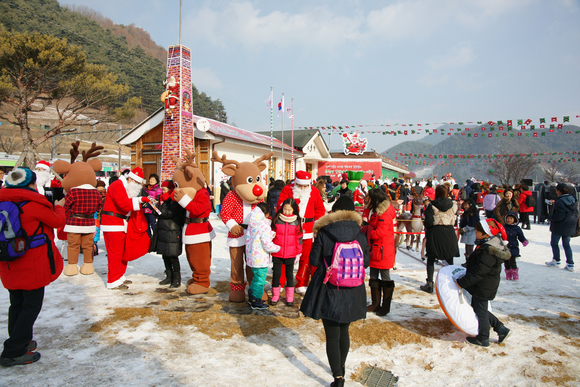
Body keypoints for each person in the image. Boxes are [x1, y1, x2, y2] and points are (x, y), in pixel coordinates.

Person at [300, 196, 370, 387]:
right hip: (353, 289)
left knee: (332, 334)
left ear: (334, 212)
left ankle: (338, 377)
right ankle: (342, 367)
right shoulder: (360, 233)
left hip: (329, 287)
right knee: (344, 331)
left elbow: (313, 261)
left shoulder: (324, 232)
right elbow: (367, 262)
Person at [0, 168, 66, 366]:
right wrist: (59, 206)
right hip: (32, 263)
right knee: (31, 306)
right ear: (30, 184)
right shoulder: (33, 205)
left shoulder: (3, 202)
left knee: (17, 304)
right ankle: (13, 351)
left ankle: (22, 342)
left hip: (9, 262)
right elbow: (57, 221)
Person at [456, 219, 512, 347]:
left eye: (478, 231)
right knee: (480, 308)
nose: (475, 232)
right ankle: (500, 328)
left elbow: (479, 272)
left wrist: (462, 282)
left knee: (480, 311)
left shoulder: (488, 251)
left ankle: (483, 337)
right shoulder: (488, 245)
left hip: (483, 286)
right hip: (484, 284)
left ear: (487, 234)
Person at [277, 170, 325, 294]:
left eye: (305, 186)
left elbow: (320, 209)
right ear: (296, 183)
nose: (303, 188)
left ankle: (301, 283)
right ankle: (280, 282)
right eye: (301, 185)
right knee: (284, 256)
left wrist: (317, 225)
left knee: (306, 258)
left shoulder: (314, 191)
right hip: (290, 228)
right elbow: (279, 206)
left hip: (308, 228)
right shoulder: (288, 189)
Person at [101, 167, 150, 289]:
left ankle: (119, 276)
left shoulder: (123, 186)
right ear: (130, 179)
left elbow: (126, 201)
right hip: (113, 223)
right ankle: (113, 280)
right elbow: (124, 204)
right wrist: (140, 201)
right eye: (137, 183)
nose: (138, 186)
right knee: (115, 253)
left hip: (119, 223)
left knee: (121, 252)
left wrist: (140, 200)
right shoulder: (117, 186)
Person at [420, 185, 459, 293]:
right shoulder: (453, 205)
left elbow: (428, 221)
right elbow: (455, 221)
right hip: (449, 232)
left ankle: (430, 284)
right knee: (449, 258)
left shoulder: (432, 205)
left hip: (435, 232)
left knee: (431, 259)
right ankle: (450, 281)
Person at [365, 188, 397, 316]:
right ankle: (375, 303)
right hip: (376, 250)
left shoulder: (384, 214)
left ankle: (385, 306)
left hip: (383, 251)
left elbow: (379, 233)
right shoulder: (376, 212)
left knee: (385, 278)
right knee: (373, 276)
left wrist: (366, 232)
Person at [150, 180, 185, 288]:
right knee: (165, 255)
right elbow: (162, 212)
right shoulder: (164, 200)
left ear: (170, 190)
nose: (162, 191)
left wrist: (158, 211)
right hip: (164, 231)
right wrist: (154, 209)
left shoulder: (174, 200)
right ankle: (169, 276)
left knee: (172, 256)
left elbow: (169, 213)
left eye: (164, 189)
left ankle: (177, 279)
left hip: (172, 231)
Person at [245, 202, 280, 309]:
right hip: (260, 258)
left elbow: (256, 237)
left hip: (252, 258)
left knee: (255, 279)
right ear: (266, 213)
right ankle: (256, 301)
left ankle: (252, 298)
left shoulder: (252, 222)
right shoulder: (263, 225)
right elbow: (266, 244)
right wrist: (277, 248)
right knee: (259, 281)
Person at [270, 198, 303, 306]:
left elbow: (299, 238)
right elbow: (271, 235)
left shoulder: (296, 221)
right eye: (285, 209)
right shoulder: (276, 220)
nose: (287, 212)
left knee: (289, 275)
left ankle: (289, 297)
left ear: (294, 210)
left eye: (289, 210)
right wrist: (270, 247)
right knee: (276, 274)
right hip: (277, 252)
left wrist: (298, 252)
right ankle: (275, 296)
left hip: (290, 253)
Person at [545, 183, 578, 271]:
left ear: (558, 191)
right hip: (570, 225)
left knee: (554, 243)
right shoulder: (573, 199)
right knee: (567, 244)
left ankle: (556, 260)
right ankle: (570, 264)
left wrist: (549, 216)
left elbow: (559, 216)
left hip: (559, 226)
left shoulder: (560, 201)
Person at [503, 211, 528, 280]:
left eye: (511, 218)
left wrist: (524, 241)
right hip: (506, 247)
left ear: (515, 219)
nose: (509, 220)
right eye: (508, 218)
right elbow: (500, 235)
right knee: (506, 261)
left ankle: (514, 273)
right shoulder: (504, 227)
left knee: (512, 261)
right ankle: (508, 273)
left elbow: (521, 236)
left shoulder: (517, 228)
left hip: (514, 247)